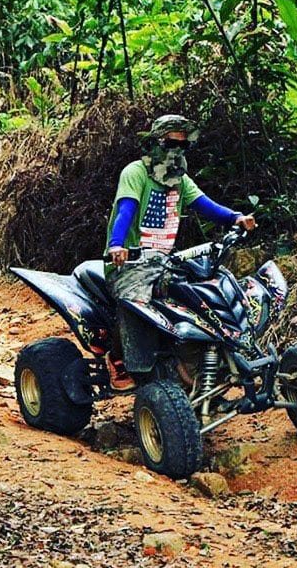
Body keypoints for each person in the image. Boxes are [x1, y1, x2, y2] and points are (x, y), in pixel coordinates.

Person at [104, 114, 256, 391]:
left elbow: (205, 205)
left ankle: (203, 357)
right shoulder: (136, 173)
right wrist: (117, 245)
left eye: (183, 145)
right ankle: (118, 358)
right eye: (170, 142)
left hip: (165, 262)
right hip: (130, 264)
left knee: (208, 288)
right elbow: (125, 209)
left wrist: (235, 218)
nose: (176, 150)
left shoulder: (180, 181)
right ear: (154, 143)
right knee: (134, 301)